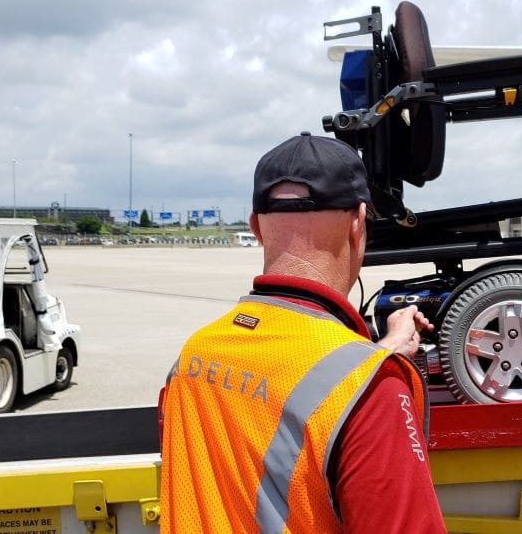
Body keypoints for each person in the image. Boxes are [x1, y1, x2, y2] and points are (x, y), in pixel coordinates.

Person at [160, 132, 446, 533]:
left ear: (256, 226)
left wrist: (381, 352)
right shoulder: (373, 391)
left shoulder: (194, 356)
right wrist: (375, 370)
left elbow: (290, 405)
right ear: (359, 222)